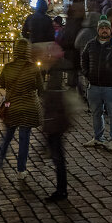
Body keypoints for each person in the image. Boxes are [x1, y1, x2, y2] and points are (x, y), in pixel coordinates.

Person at [0, 38, 43, 180]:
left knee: (8, 134)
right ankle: (21, 169)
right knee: (24, 139)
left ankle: (0, 159)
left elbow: (1, 82)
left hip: (12, 105)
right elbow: (40, 88)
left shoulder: (8, 67)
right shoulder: (34, 68)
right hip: (28, 107)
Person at [81, 18, 112, 149]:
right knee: (96, 113)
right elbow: (84, 59)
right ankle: (98, 137)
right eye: (102, 28)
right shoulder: (91, 44)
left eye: (106, 28)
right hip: (94, 86)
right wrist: (87, 73)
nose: (104, 30)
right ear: (98, 30)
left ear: (110, 30)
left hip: (111, 86)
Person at [41, 58, 73, 202]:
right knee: (58, 158)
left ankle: (61, 190)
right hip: (56, 126)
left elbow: (53, 109)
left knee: (58, 159)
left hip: (55, 127)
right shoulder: (56, 84)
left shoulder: (53, 86)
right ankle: (61, 189)